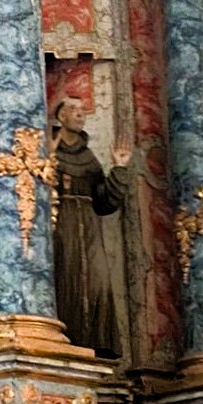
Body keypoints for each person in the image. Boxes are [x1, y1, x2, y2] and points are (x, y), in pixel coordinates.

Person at [51, 96, 131, 357]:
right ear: (60, 116)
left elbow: (105, 203)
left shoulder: (89, 158)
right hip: (60, 226)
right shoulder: (49, 149)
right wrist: (48, 161)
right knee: (65, 279)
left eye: (82, 110)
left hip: (90, 229)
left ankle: (96, 346)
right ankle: (64, 343)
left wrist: (119, 169)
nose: (79, 114)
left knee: (99, 281)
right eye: (72, 109)